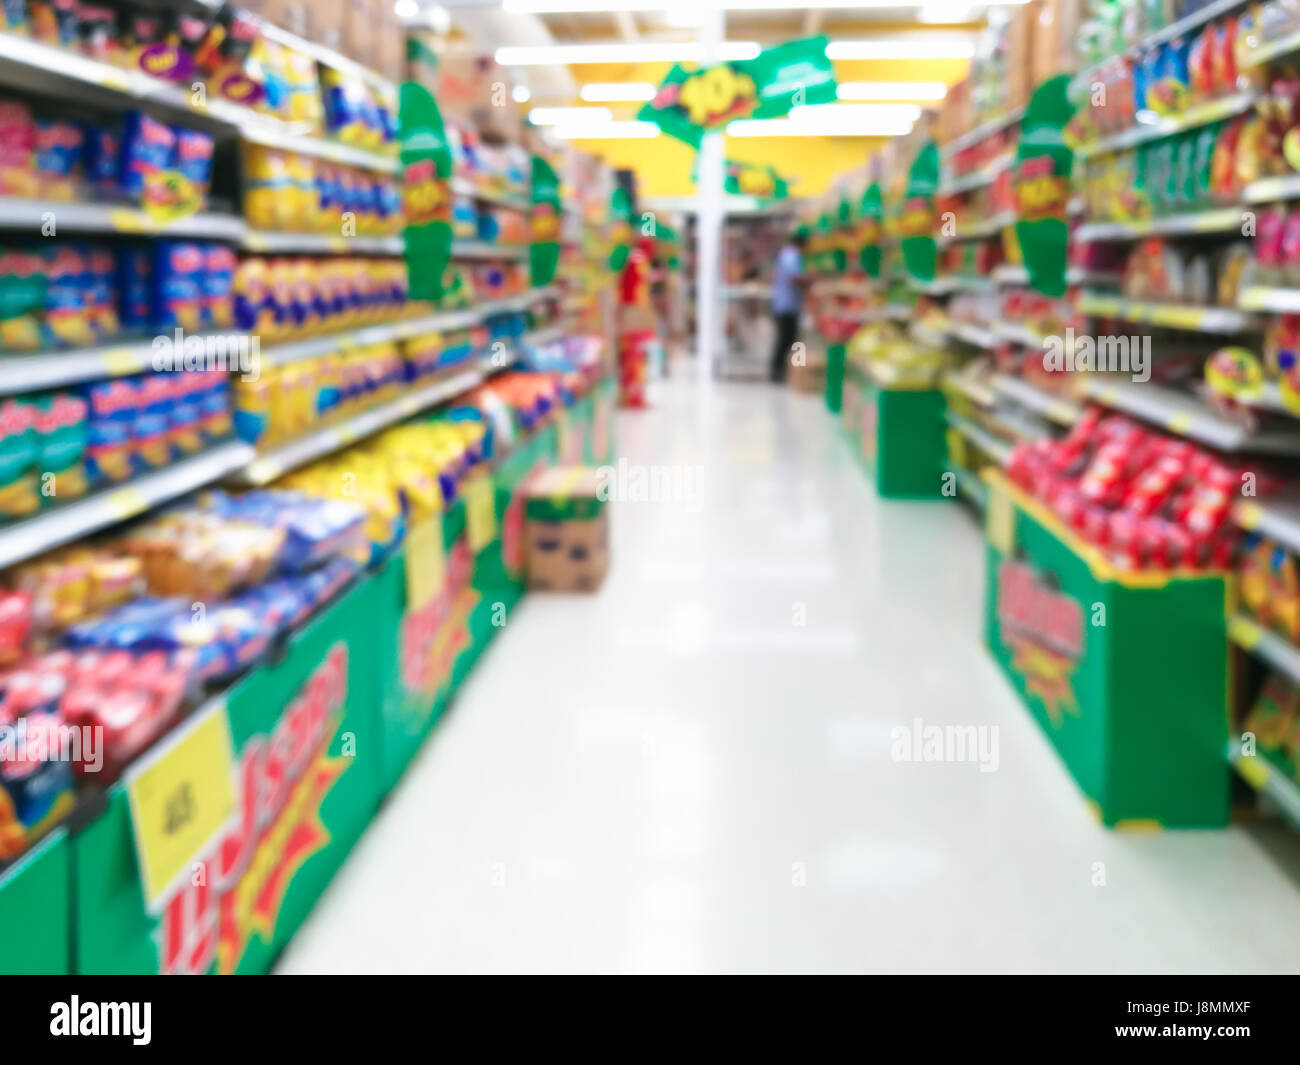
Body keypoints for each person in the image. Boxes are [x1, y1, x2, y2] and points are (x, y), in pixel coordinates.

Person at [769, 226, 808, 383]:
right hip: (787, 305)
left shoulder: (786, 255)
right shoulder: (791, 256)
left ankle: (780, 370)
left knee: (786, 339)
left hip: (786, 304)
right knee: (786, 339)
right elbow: (794, 278)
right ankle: (778, 371)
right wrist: (810, 281)